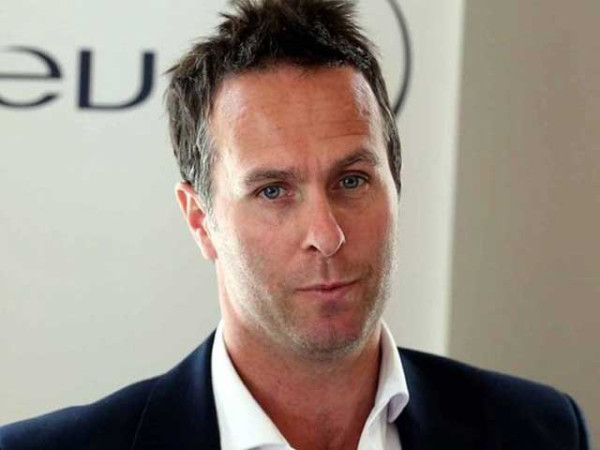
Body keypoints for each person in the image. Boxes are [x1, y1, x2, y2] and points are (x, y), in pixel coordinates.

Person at [0, 0, 590, 449]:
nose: (326, 235)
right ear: (200, 220)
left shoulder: (539, 430)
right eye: (273, 191)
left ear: (396, 184)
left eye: (352, 180)